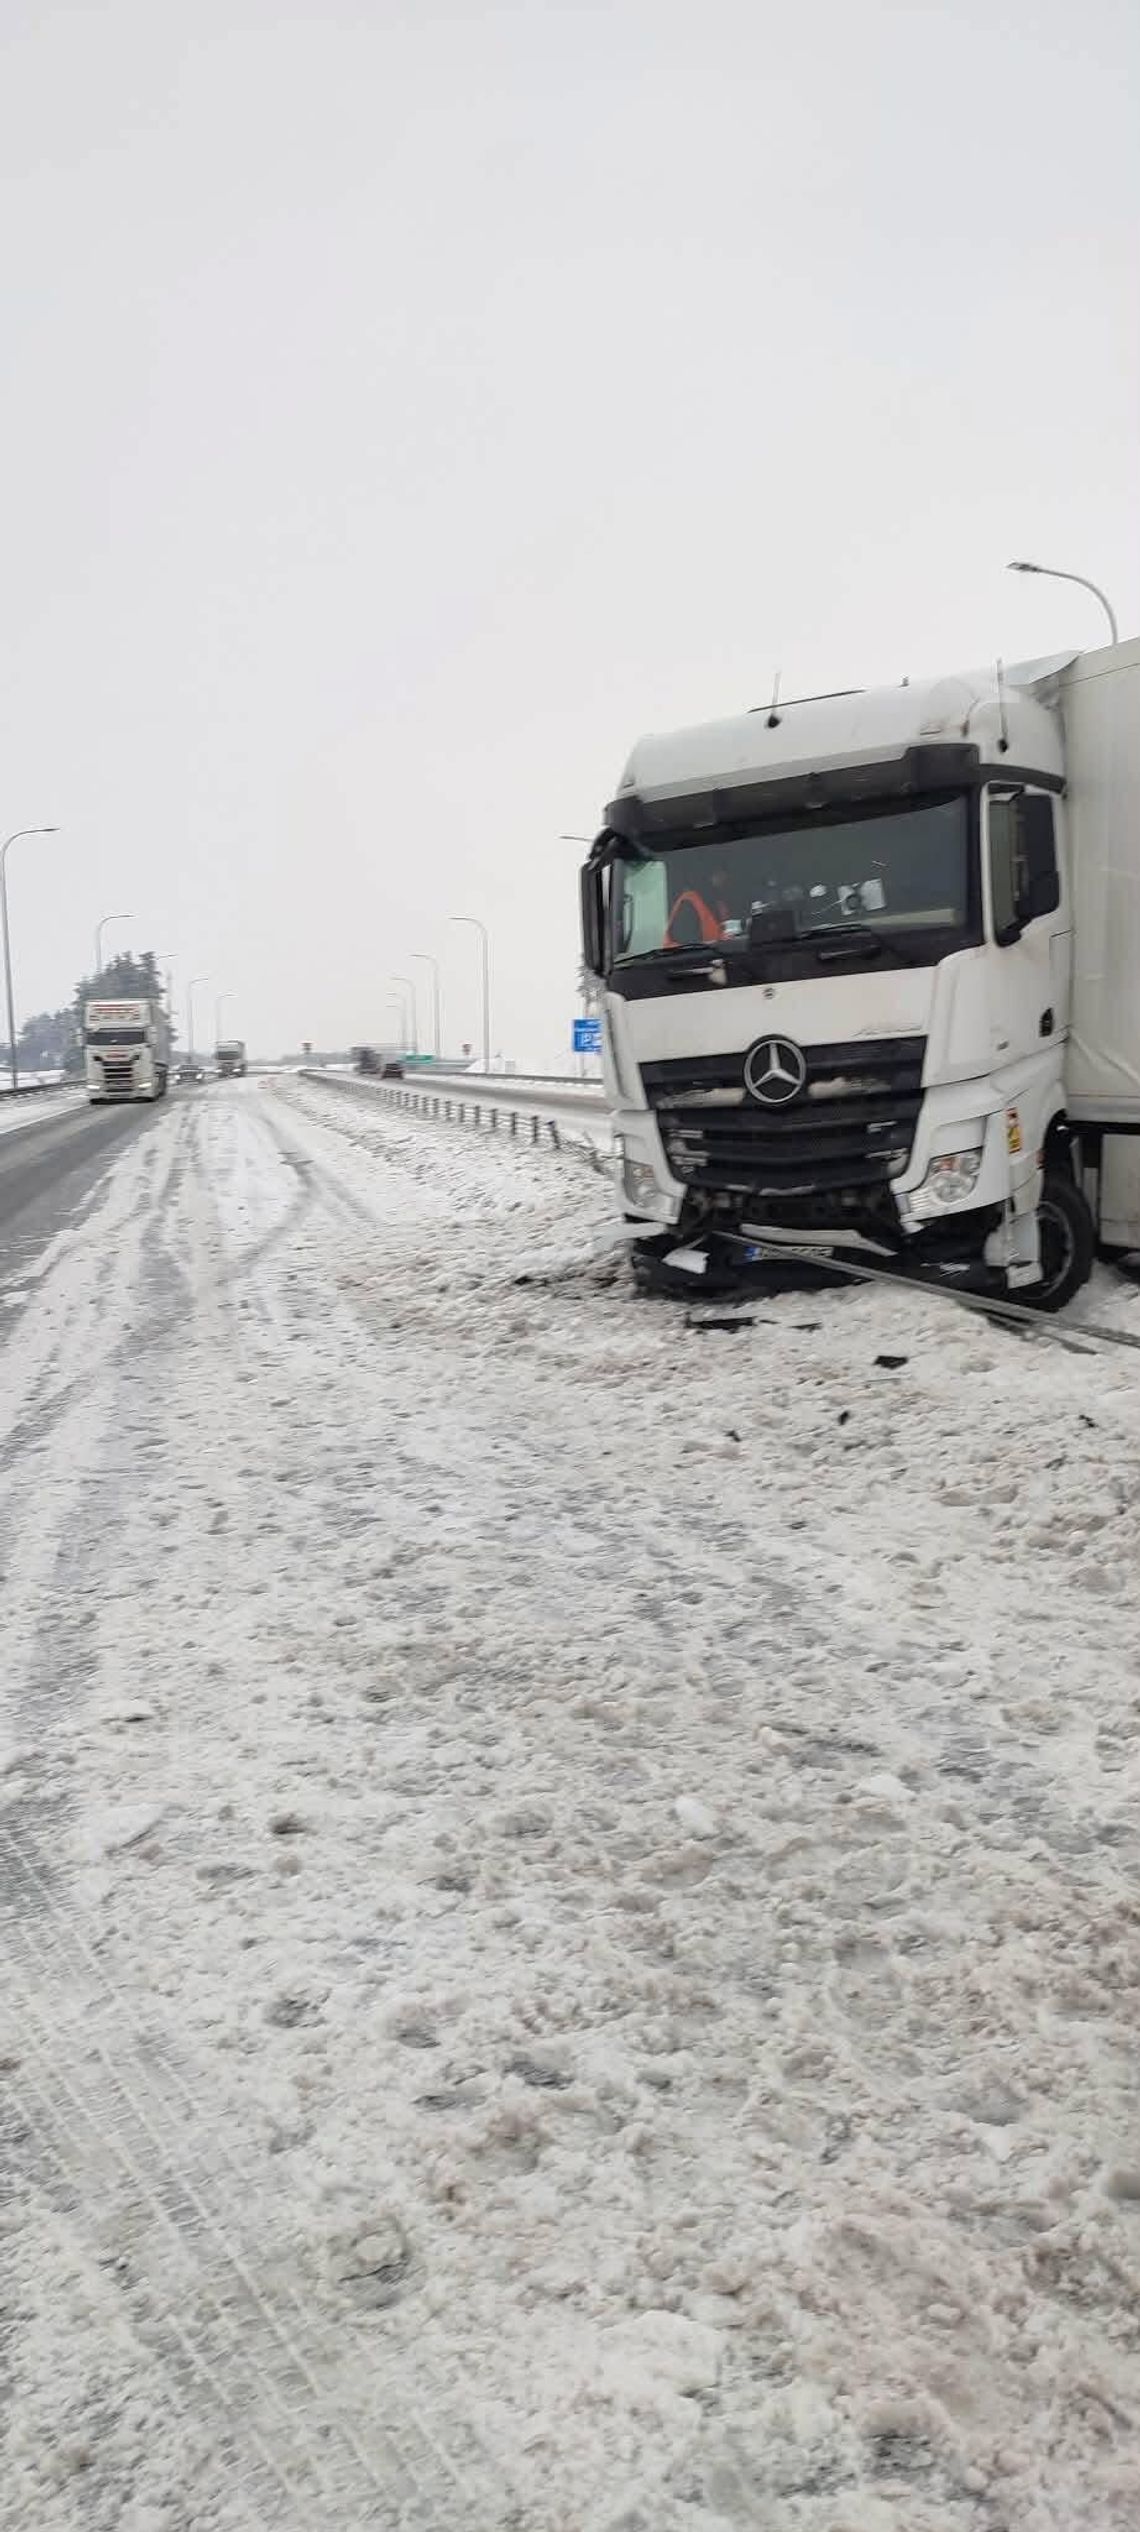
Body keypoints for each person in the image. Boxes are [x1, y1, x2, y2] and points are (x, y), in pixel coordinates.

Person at [664, 867, 733, 948]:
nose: (723, 880)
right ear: (707, 877)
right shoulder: (689, 903)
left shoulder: (714, 901)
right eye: (718, 875)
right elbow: (688, 945)